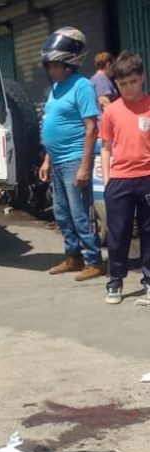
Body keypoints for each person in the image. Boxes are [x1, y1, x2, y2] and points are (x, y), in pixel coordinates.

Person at [38, 27, 104, 281]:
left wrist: (84, 166)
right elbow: (50, 125)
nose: (50, 70)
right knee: (62, 213)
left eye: (54, 65)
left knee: (80, 214)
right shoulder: (55, 89)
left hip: (75, 159)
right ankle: (73, 257)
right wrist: (47, 159)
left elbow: (91, 128)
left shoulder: (82, 86)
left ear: (69, 64)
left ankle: (94, 260)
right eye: (49, 65)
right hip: (57, 162)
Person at [99, 52, 150, 304]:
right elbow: (106, 147)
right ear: (116, 84)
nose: (128, 88)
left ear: (142, 78)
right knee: (118, 234)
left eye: (133, 82)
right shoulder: (112, 112)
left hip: (147, 178)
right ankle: (115, 282)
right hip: (119, 180)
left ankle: (149, 281)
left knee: (148, 232)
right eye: (122, 84)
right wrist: (108, 179)